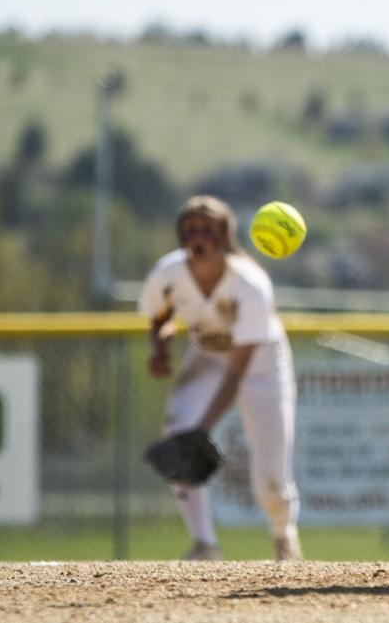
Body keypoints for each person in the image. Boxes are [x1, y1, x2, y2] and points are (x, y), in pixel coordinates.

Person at [138, 195, 301, 562]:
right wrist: (161, 348)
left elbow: (238, 373)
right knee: (179, 439)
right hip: (208, 355)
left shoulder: (250, 283)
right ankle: (204, 544)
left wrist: (206, 427)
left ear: (226, 236)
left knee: (271, 479)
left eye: (208, 230)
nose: (197, 237)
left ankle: (283, 534)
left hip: (261, 364)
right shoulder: (169, 273)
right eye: (190, 229)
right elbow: (160, 314)